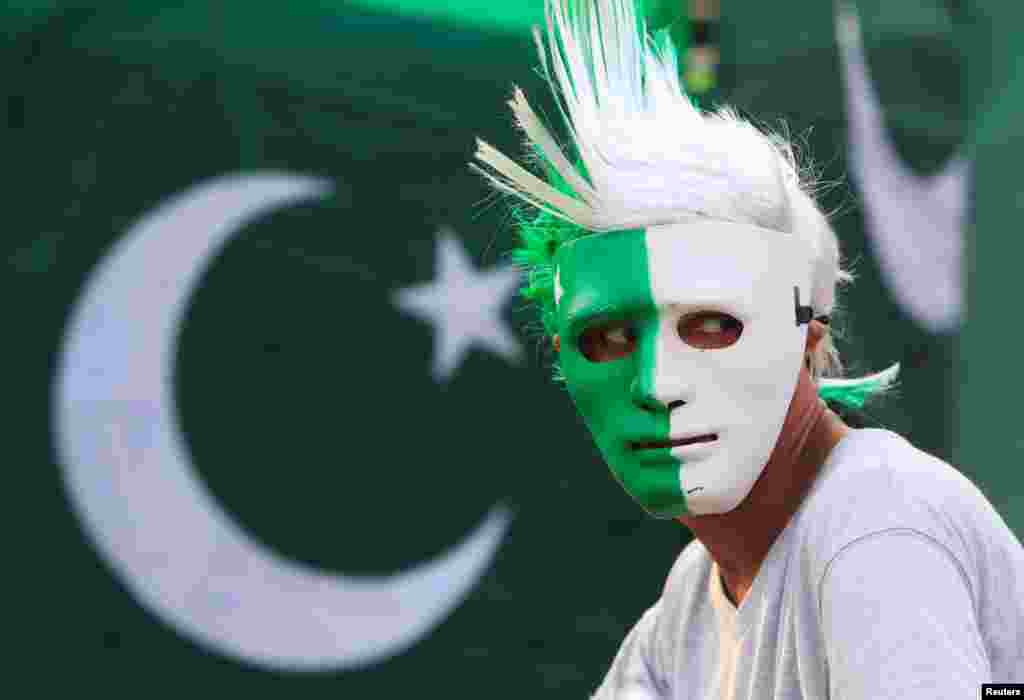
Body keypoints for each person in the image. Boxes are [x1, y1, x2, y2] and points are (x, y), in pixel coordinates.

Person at [471, 0, 1024, 697]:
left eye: (711, 325)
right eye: (608, 337)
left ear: (807, 339)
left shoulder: (877, 526)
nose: (657, 383)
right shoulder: (695, 599)